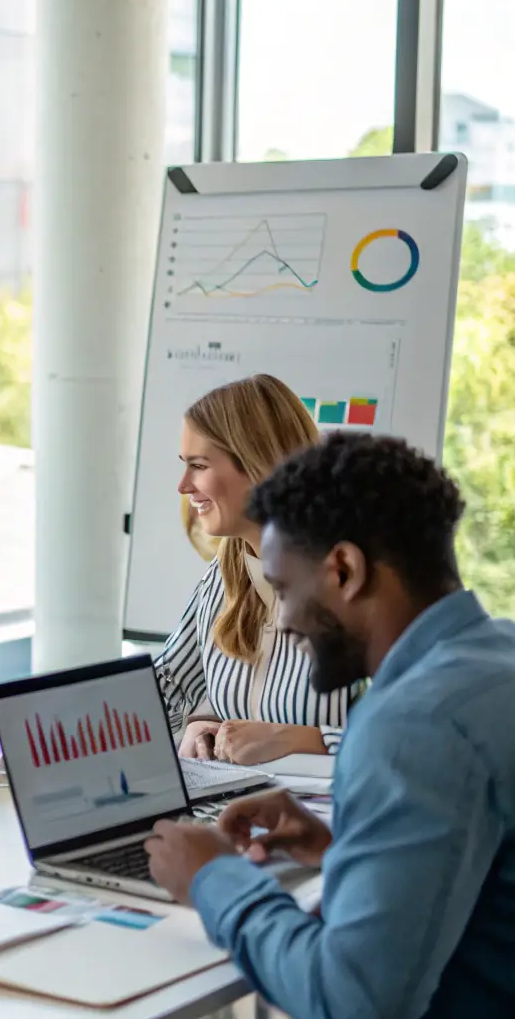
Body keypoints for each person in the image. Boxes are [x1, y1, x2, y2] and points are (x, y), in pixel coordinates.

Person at [144, 432, 515, 1018]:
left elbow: (350, 1002)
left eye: (286, 589)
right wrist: (346, 850)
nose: (284, 621)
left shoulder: (411, 726)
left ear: (344, 569)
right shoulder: (500, 656)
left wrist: (214, 879)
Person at [156, 374, 363, 765]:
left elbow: (421, 738)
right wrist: (198, 725)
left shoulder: (357, 582)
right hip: (244, 813)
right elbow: (165, 689)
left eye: (198, 466)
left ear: (258, 467)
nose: (184, 486)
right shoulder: (225, 573)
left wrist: (303, 740)